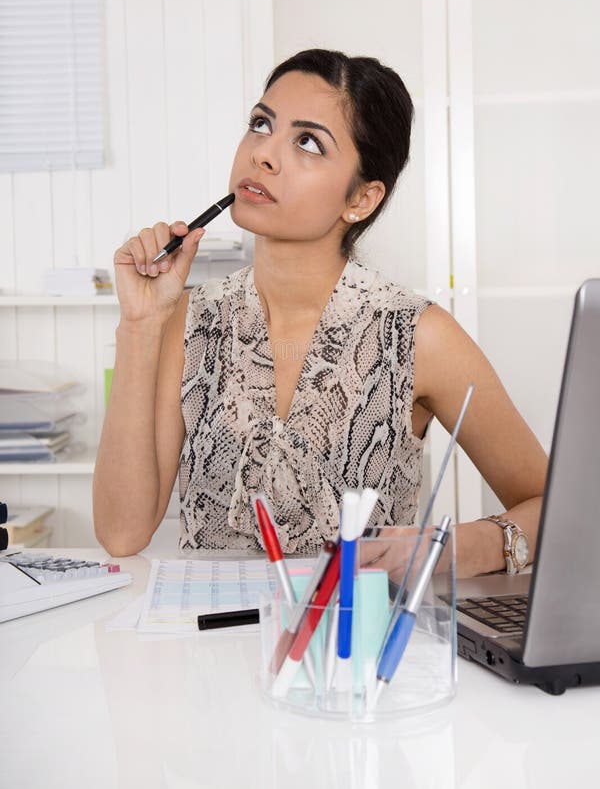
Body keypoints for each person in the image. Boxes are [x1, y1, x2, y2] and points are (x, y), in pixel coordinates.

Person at [93, 48, 547, 576]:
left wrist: (461, 546)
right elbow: (122, 534)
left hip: (357, 648)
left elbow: (554, 508)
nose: (263, 154)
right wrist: (140, 325)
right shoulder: (190, 321)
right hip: (211, 650)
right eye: (261, 124)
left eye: (307, 142)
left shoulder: (417, 335)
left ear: (362, 198)